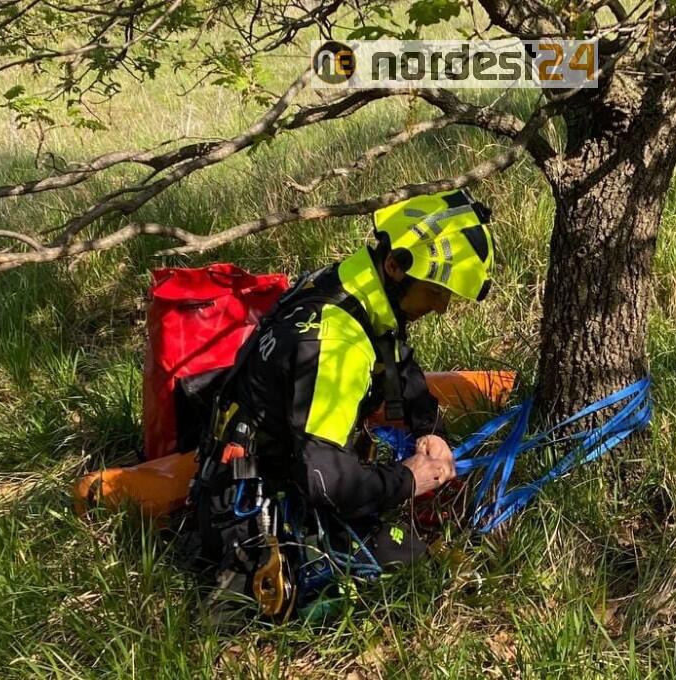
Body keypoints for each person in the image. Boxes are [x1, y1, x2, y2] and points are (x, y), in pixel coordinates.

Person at [189, 188, 494, 617]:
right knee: (416, 570)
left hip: (242, 470)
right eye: (437, 291)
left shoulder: (347, 285)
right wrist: (408, 479)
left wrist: (429, 430)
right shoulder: (337, 344)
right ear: (395, 266)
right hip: (255, 511)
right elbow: (330, 483)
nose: (442, 307)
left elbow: (398, 363)